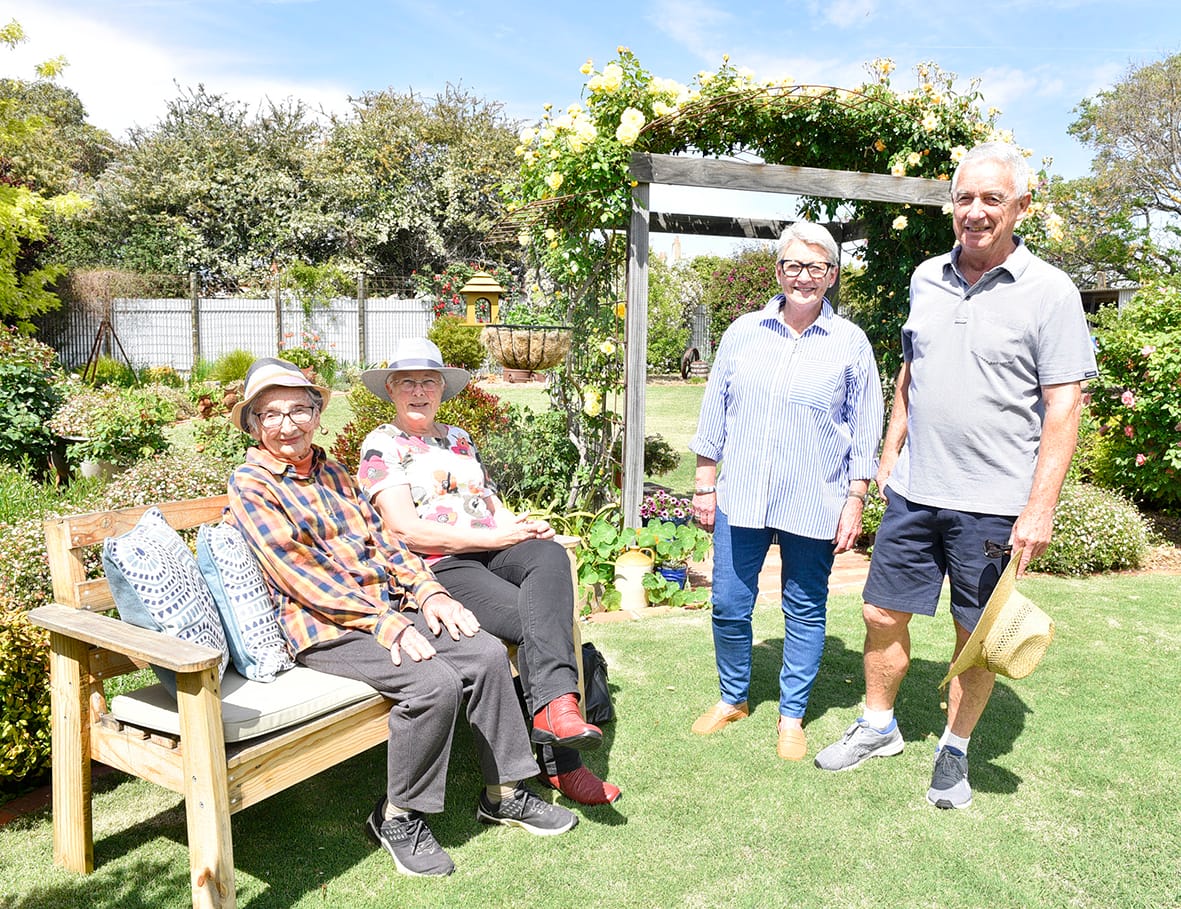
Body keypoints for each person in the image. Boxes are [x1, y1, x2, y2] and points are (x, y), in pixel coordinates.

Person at [814, 142, 1098, 809]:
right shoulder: (923, 277)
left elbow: (1064, 405)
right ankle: (879, 724)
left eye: (990, 199)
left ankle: (954, 747)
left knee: (974, 635)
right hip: (916, 490)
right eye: (963, 197)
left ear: (1020, 206)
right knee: (880, 610)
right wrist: (890, 449)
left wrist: (1039, 507)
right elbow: (912, 371)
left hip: (994, 504)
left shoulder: (1050, 291)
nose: (973, 211)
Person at [226, 357, 577, 878]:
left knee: (481, 651)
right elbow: (301, 574)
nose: (288, 424)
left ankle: (504, 793)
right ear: (254, 425)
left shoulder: (333, 473)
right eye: (272, 415)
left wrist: (430, 593)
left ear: (317, 414)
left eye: (299, 409)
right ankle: (398, 815)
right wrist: (386, 623)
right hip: (325, 625)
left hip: (387, 609)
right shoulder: (253, 484)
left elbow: (389, 543)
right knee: (431, 681)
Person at [355, 337, 621, 806]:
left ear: (442, 389)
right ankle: (561, 758)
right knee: (538, 624)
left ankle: (553, 716)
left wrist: (520, 527)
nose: (420, 391)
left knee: (549, 555)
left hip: (491, 546)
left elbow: (486, 504)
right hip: (443, 565)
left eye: (429, 382)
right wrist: (496, 539)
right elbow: (406, 531)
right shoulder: (381, 446)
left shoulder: (458, 439)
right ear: (391, 390)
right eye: (409, 383)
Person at [688, 220, 884, 761]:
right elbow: (715, 413)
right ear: (778, 271)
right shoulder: (742, 333)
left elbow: (866, 424)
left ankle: (792, 715)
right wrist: (705, 484)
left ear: (832, 275)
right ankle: (733, 698)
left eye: (816, 267)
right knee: (729, 603)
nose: (803, 276)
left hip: (814, 499)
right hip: (742, 495)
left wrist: (856, 498)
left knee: (805, 607)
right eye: (793, 266)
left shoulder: (850, 343)